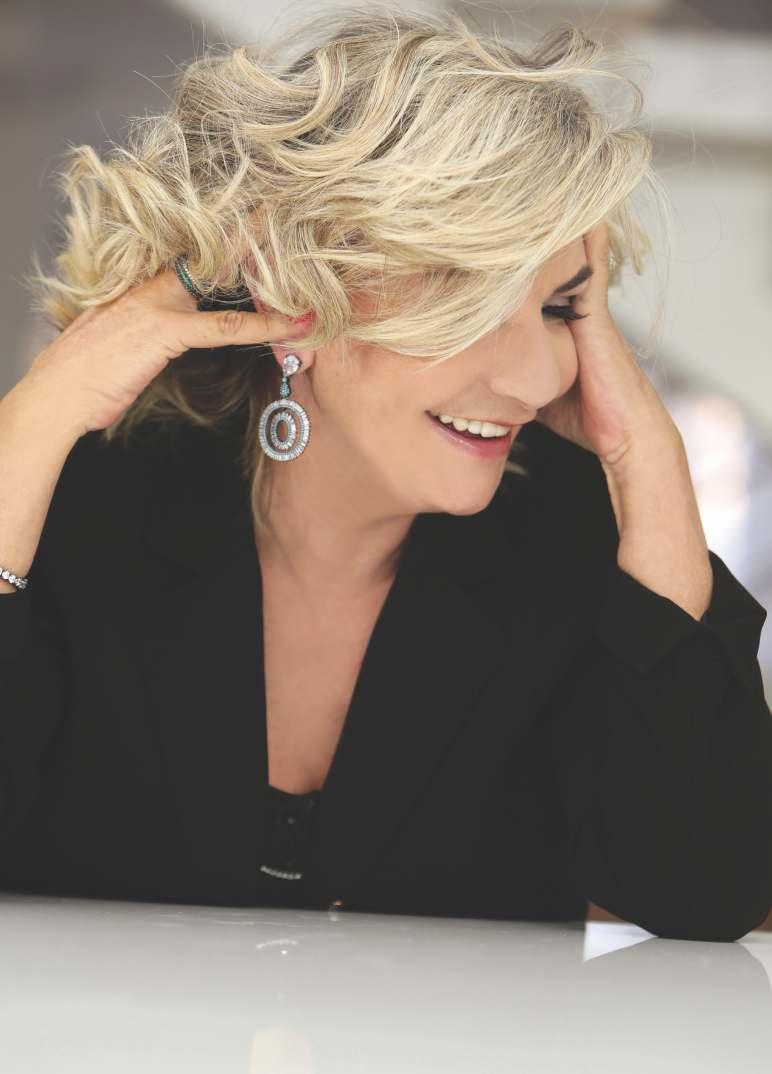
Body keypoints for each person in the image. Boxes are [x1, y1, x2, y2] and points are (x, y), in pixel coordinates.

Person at [0, 5, 770, 939]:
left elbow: (704, 895)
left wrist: (648, 455)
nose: (536, 379)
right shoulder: (82, 499)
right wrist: (30, 420)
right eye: (471, 301)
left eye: (561, 309)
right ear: (295, 282)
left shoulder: (565, 535)